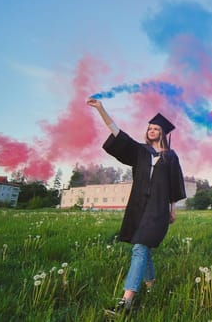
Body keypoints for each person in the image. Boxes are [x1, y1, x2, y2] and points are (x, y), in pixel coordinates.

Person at [87, 98, 186, 313]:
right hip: (138, 207)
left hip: (158, 209)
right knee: (143, 247)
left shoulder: (170, 157)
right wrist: (101, 109)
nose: (151, 130)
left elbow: (174, 185)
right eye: (149, 127)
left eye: (156, 128)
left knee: (140, 247)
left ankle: (126, 302)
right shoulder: (140, 152)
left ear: (163, 132)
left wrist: (172, 209)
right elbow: (117, 133)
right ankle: (152, 287)